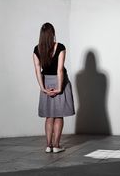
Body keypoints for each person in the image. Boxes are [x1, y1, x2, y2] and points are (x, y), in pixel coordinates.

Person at [33, 22, 75, 153]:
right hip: (59, 81)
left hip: (46, 82)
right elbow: (60, 70)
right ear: (53, 33)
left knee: (49, 116)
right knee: (58, 116)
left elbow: (37, 70)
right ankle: (56, 146)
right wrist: (60, 88)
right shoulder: (60, 46)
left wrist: (43, 88)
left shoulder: (37, 49)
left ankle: (48, 145)